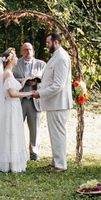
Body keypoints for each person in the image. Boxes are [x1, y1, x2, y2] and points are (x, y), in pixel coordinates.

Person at [32, 33, 73, 172]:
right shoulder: (56, 56)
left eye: (48, 42)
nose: (46, 45)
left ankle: (60, 165)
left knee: (58, 134)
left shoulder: (61, 57)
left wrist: (40, 93)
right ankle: (56, 161)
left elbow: (59, 85)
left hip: (59, 103)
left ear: (56, 42)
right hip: (54, 103)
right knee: (54, 134)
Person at [0, 48, 31, 173]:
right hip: (12, 106)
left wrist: (23, 82)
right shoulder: (8, 73)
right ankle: (12, 162)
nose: (17, 58)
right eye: (14, 57)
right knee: (11, 131)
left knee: (12, 131)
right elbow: (12, 93)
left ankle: (10, 161)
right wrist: (30, 93)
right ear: (9, 60)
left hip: (13, 106)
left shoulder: (9, 73)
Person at [12, 42, 46, 160]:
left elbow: (46, 79)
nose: (28, 52)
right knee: (16, 126)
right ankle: (17, 151)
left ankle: (34, 152)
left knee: (35, 128)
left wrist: (37, 82)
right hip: (19, 99)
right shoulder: (15, 63)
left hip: (34, 100)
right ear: (22, 52)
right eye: (25, 50)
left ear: (33, 51)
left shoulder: (41, 64)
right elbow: (10, 78)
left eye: (30, 49)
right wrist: (24, 81)